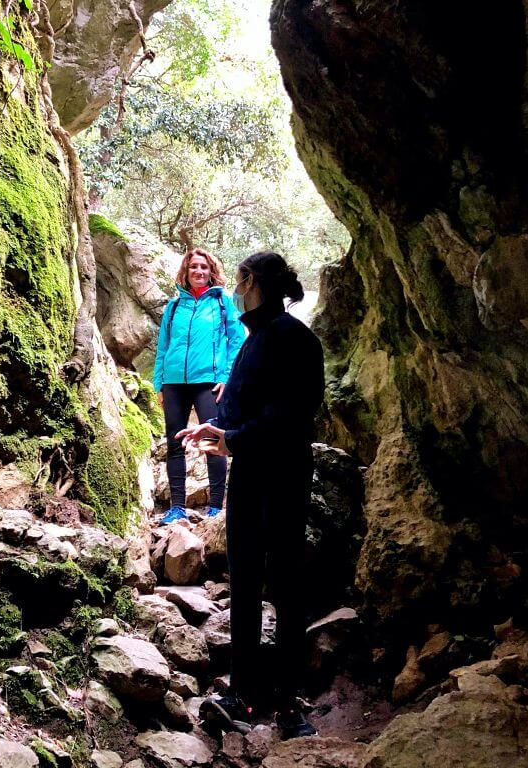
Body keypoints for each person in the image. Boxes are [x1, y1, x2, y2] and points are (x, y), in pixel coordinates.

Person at [177, 251, 324, 740]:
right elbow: (244, 409)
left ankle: (288, 705)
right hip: (250, 477)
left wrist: (233, 439)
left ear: (256, 283)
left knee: (284, 586)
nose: (236, 288)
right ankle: (244, 692)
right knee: (244, 582)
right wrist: (213, 431)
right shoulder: (253, 340)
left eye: (241, 280)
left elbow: (294, 414)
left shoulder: (296, 339)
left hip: (283, 477)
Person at [152, 248, 245, 525]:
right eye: (194, 267)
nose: (199, 271)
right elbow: (163, 347)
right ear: (186, 270)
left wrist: (227, 378)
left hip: (209, 382)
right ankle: (177, 507)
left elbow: (237, 340)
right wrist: (159, 383)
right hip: (174, 383)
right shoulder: (174, 306)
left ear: (211, 271)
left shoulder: (221, 302)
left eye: (204, 267)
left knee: (211, 441)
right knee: (175, 442)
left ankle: (215, 507)